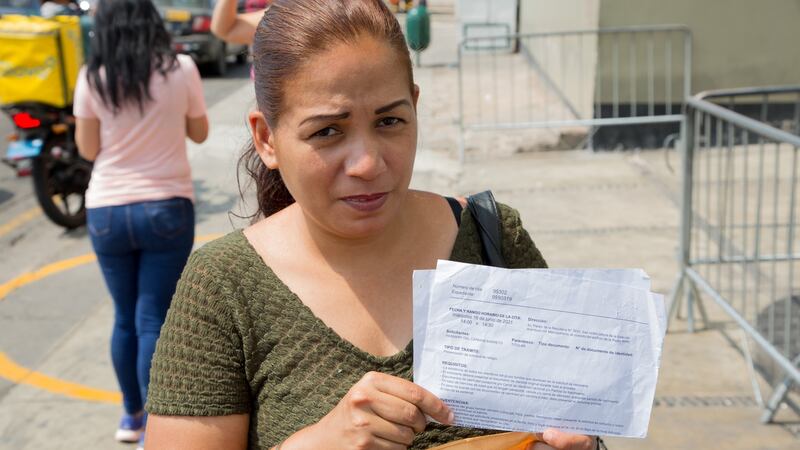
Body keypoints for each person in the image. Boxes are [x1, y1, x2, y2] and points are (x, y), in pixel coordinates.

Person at [144, 1, 599, 449]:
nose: (367, 163)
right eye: (327, 131)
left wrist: (580, 443)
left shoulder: (491, 237)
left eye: (389, 121)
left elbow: (575, 421)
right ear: (267, 138)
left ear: (415, 108)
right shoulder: (222, 287)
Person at [73, 0, 208, 448]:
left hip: (108, 209)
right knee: (154, 319)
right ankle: (156, 422)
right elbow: (200, 131)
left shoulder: (93, 76)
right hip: (167, 206)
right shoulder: (181, 67)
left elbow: (88, 150)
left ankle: (130, 415)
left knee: (125, 319)